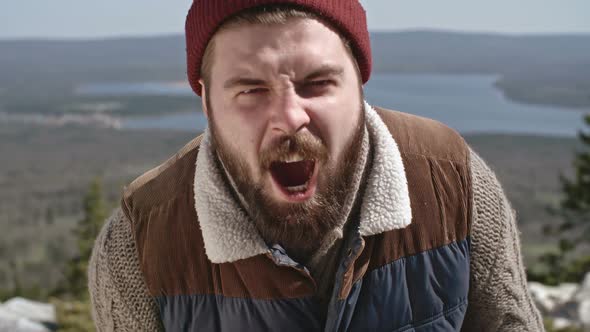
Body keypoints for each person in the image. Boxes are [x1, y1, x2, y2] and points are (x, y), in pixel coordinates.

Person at [88, 1, 544, 331]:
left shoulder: (451, 179)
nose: (290, 117)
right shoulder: (141, 242)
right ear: (206, 101)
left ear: (360, 85)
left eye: (318, 83)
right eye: (250, 89)